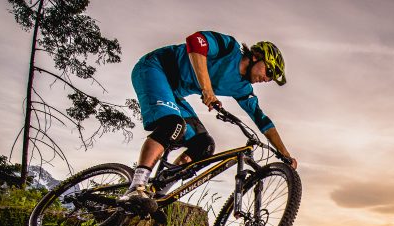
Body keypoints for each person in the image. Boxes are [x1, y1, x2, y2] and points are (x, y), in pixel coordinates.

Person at [122, 31, 297, 202]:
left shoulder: (243, 88)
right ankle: (136, 187)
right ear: (256, 56)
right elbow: (195, 41)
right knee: (173, 124)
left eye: (271, 78)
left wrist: (284, 154)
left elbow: (262, 120)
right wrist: (207, 90)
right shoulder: (229, 47)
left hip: (174, 93)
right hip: (155, 68)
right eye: (269, 71)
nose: (267, 79)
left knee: (204, 145)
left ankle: (159, 194)